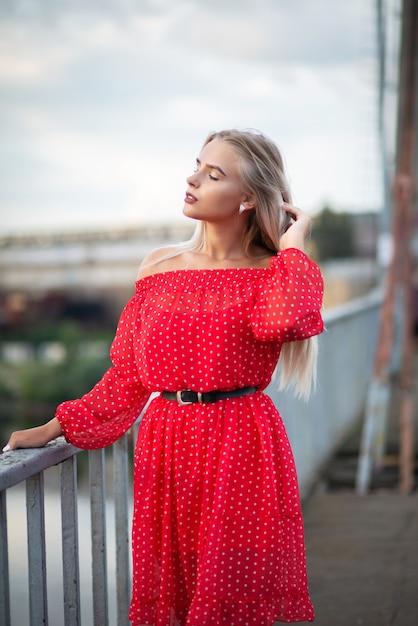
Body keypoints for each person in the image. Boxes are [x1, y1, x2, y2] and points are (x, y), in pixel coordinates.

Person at [3, 129, 324, 625]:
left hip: (239, 443)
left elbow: (283, 322)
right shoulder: (159, 266)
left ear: (246, 199)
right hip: (167, 442)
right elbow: (130, 374)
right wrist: (57, 426)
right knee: (173, 599)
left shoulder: (272, 273)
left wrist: (294, 246)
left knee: (226, 600)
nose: (192, 178)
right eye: (197, 165)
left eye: (213, 174)